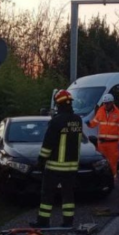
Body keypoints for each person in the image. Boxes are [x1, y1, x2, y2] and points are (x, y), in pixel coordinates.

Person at [30, 89, 83, 228]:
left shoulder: (56, 121)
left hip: (55, 166)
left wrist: (41, 161)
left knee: (47, 195)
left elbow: (48, 144)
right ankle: (68, 222)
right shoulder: (78, 120)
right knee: (68, 195)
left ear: (58, 104)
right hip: (72, 166)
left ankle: (43, 221)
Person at [86, 93, 119, 179]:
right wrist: (89, 124)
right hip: (101, 144)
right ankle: (102, 182)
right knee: (101, 165)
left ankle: (112, 182)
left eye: (107, 103)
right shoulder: (100, 111)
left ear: (112, 103)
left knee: (112, 165)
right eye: (104, 103)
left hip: (113, 145)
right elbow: (94, 123)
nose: (105, 105)